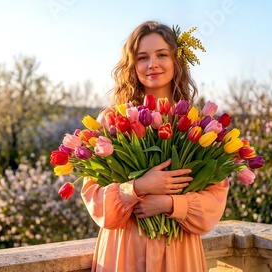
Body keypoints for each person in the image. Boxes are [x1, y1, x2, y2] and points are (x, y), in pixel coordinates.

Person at [81, 20, 230, 271]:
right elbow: (94, 198)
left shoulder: (196, 125)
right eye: (142, 57)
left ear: (176, 61)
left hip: (179, 252)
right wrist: (138, 187)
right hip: (125, 249)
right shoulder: (110, 120)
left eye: (162, 54)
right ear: (132, 65)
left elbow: (214, 201)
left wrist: (170, 204)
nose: (153, 64)